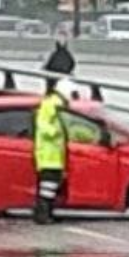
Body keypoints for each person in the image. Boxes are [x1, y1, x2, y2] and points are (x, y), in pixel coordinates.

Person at [33, 77, 77, 224]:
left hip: (54, 154)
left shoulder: (56, 104)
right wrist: (55, 132)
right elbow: (42, 124)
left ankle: (47, 213)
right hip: (48, 154)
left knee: (50, 186)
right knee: (48, 186)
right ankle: (42, 215)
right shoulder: (51, 104)